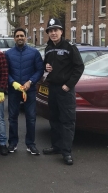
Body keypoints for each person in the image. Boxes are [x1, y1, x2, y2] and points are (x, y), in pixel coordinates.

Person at [42, 18, 84, 165]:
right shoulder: (48, 48)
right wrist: (45, 67)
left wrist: (69, 85)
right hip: (52, 88)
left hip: (65, 90)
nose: (53, 33)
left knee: (67, 121)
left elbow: (79, 67)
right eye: (50, 31)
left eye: (55, 30)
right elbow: (46, 66)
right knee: (54, 119)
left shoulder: (70, 47)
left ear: (61, 31)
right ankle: (56, 146)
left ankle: (66, 152)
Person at [5, 28, 44, 155]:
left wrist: (30, 82)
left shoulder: (34, 53)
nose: (20, 37)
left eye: (22, 35)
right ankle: (12, 143)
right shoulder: (8, 53)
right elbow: (6, 72)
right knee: (12, 117)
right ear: (14, 38)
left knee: (31, 118)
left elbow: (39, 70)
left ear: (26, 37)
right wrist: (13, 83)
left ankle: (30, 144)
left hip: (30, 90)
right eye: (17, 36)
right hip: (14, 91)